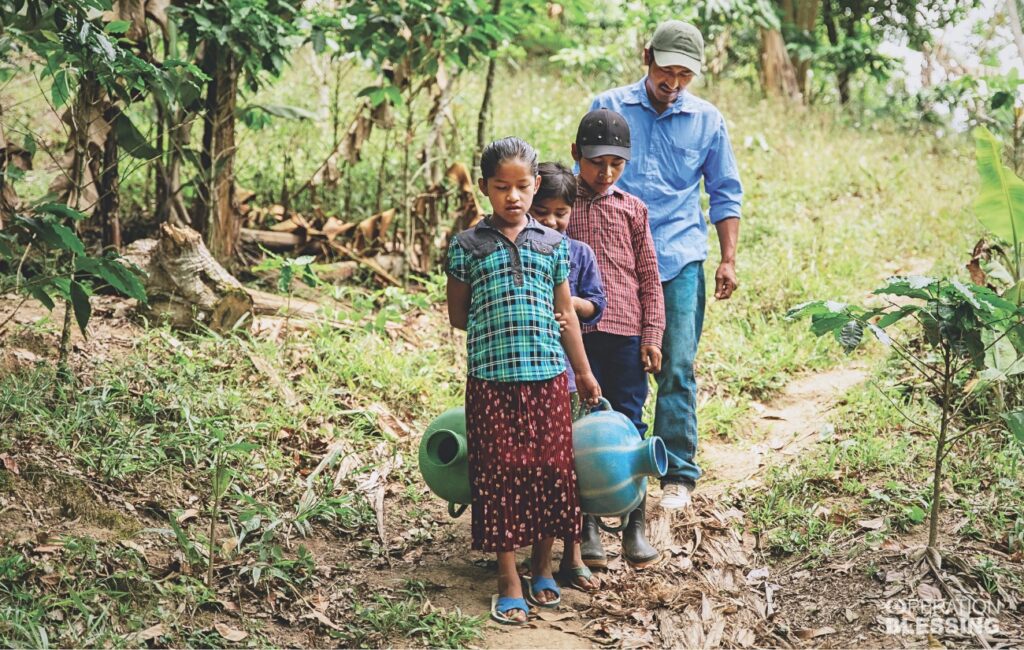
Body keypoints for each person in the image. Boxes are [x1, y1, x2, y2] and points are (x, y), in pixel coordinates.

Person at [587, 20, 743, 511]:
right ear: (647, 56)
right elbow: (583, 185)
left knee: (675, 366)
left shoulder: (707, 120)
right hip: (614, 264)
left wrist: (728, 259)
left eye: (685, 75)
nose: (674, 83)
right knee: (610, 365)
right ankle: (610, 466)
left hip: (677, 257)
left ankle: (677, 470)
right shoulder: (609, 108)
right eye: (667, 70)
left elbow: (725, 192)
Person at [446, 137, 602, 625]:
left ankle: (542, 568)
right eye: (500, 187)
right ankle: (507, 576)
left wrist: (584, 371)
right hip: (492, 380)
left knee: (552, 471)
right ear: (485, 189)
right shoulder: (467, 245)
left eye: (521, 186)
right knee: (498, 473)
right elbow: (459, 314)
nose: (512, 196)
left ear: (536, 185)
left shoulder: (554, 245)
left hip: (549, 380)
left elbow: (566, 315)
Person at [565, 109, 666, 569]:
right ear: (576, 156)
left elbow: (649, 276)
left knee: (629, 424)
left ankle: (633, 521)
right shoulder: (561, 206)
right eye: (596, 162)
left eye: (616, 165)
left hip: (625, 333)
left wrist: (652, 334)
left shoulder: (632, 208)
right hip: (577, 334)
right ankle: (585, 523)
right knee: (581, 424)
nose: (605, 173)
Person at [532, 161, 605, 592]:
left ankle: (573, 554)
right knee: (541, 469)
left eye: (562, 213)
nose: (553, 221)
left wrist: (565, 303)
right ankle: (536, 555)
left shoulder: (578, 255)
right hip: (529, 375)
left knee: (572, 468)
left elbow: (597, 305)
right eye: (544, 213)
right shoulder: (516, 250)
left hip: (570, 380)